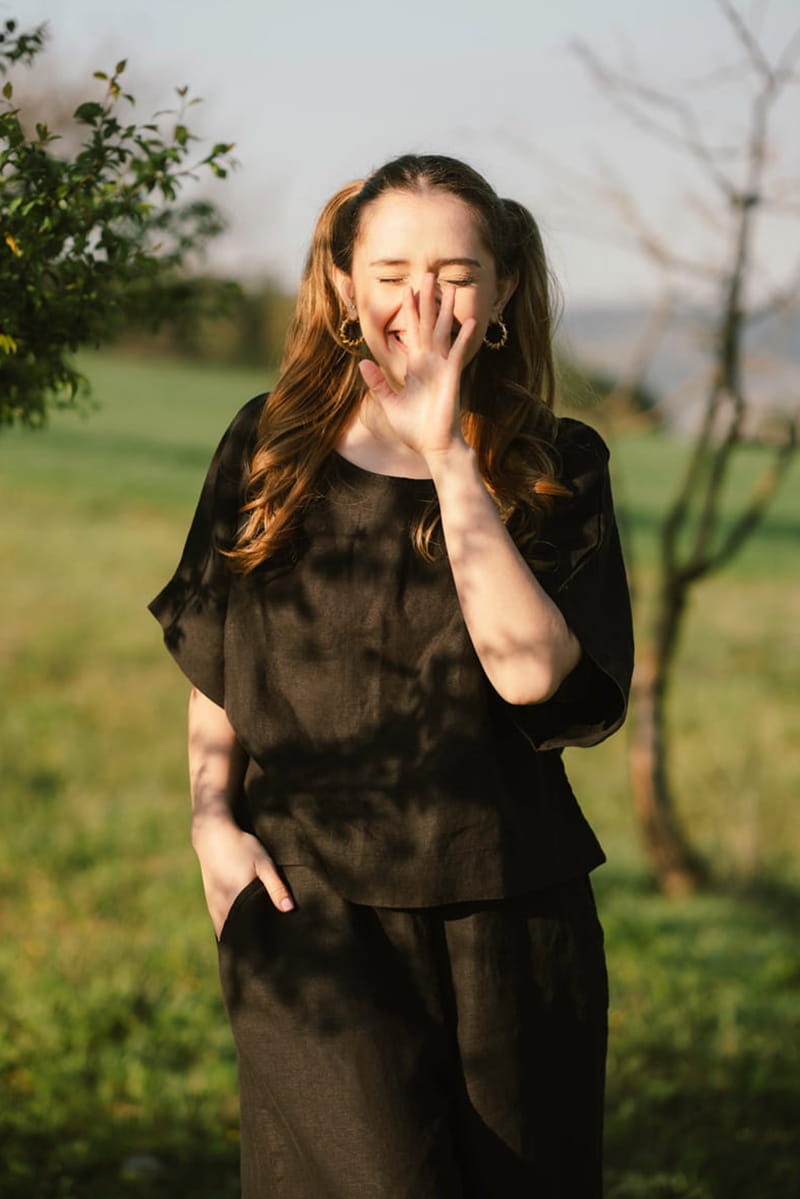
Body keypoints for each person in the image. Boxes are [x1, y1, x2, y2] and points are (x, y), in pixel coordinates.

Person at [149, 153, 633, 1198]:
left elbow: (530, 675)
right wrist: (208, 824)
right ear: (341, 286)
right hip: (303, 900)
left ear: (502, 288)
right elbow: (217, 655)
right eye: (392, 269)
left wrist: (449, 456)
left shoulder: (556, 464)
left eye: (456, 271)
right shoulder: (268, 448)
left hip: (510, 914)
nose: (421, 299)